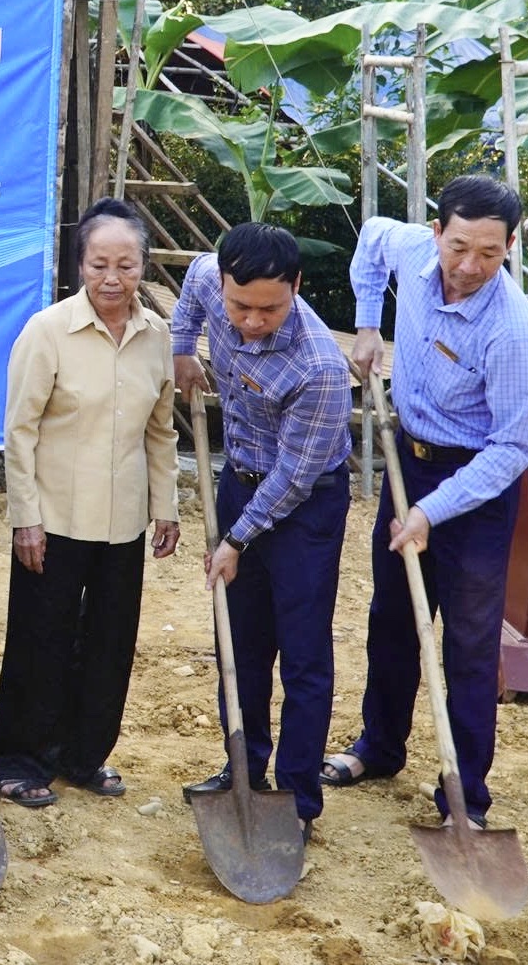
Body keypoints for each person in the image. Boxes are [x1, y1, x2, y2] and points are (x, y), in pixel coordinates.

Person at [321, 176, 528, 828]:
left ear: (507, 248)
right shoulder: (407, 250)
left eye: (489, 253)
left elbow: (511, 450)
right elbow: (367, 241)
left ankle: (464, 795)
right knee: (390, 616)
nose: (469, 266)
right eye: (457, 248)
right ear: (436, 232)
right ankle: (379, 746)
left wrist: (431, 511)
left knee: (469, 646)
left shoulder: (510, 327)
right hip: (405, 460)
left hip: (474, 486)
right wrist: (366, 325)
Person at [0, 198, 178, 808]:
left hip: (124, 523)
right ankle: (20, 760)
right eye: (99, 265)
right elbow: (19, 432)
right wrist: (26, 519)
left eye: (126, 265)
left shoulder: (156, 337)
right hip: (54, 521)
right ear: (79, 266)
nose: (113, 280)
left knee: (110, 643)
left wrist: (166, 505)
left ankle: (84, 754)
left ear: (142, 267)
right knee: (41, 639)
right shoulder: (47, 333)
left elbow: (161, 429)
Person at [170, 223, 352, 832]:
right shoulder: (206, 279)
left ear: (296, 287)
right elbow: (192, 298)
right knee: (239, 641)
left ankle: (298, 797)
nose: (251, 321)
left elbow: (295, 479)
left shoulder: (319, 366)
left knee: (301, 654)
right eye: (239, 305)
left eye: (269, 309)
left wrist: (235, 540)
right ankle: (242, 768)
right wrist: (181, 349)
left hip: (306, 507)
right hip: (238, 480)